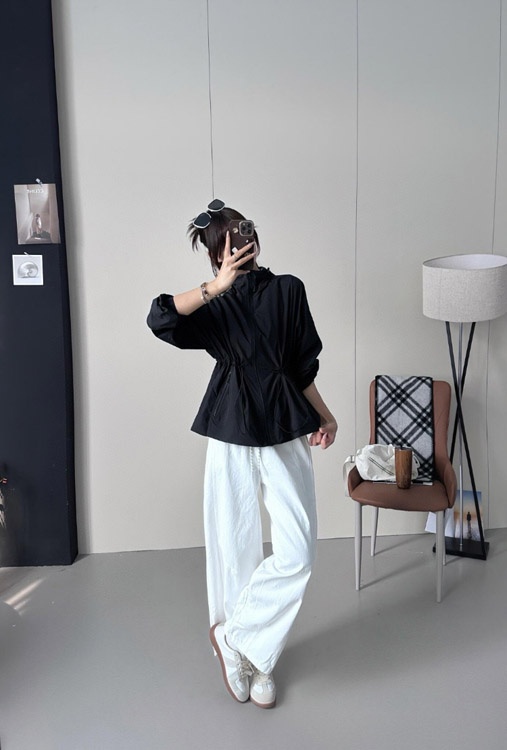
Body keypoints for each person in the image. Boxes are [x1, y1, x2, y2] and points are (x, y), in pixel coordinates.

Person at [147, 199, 337, 709]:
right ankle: (254, 662)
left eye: (244, 232)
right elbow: (159, 318)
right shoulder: (213, 301)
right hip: (231, 424)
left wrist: (324, 415)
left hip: (283, 421)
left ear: (255, 237)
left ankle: (235, 639)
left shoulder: (289, 289)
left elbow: (301, 365)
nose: (240, 243)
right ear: (217, 254)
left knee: (298, 550)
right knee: (234, 545)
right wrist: (216, 287)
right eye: (228, 240)